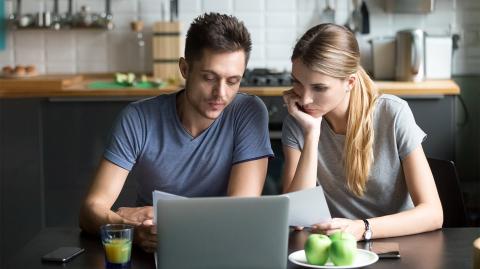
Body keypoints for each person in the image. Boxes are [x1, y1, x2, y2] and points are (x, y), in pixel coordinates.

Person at [79, 13, 274, 253]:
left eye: (233, 81)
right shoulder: (138, 118)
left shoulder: (249, 112)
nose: (220, 93)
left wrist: (165, 215)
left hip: (220, 248)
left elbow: (240, 214)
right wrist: (129, 227)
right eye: (209, 78)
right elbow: (91, 210)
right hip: (154, 248)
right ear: (184, 68)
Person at [281, 23, 443, 241]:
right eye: (297, 83)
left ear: (349, 82)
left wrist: (362, 228)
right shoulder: (299, 121)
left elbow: (433, 214)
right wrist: (311, 134)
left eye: (319, 88)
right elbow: (296, 218)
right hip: (333, 249)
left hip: (398, 246)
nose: (306, 98)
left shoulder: (392, 114)